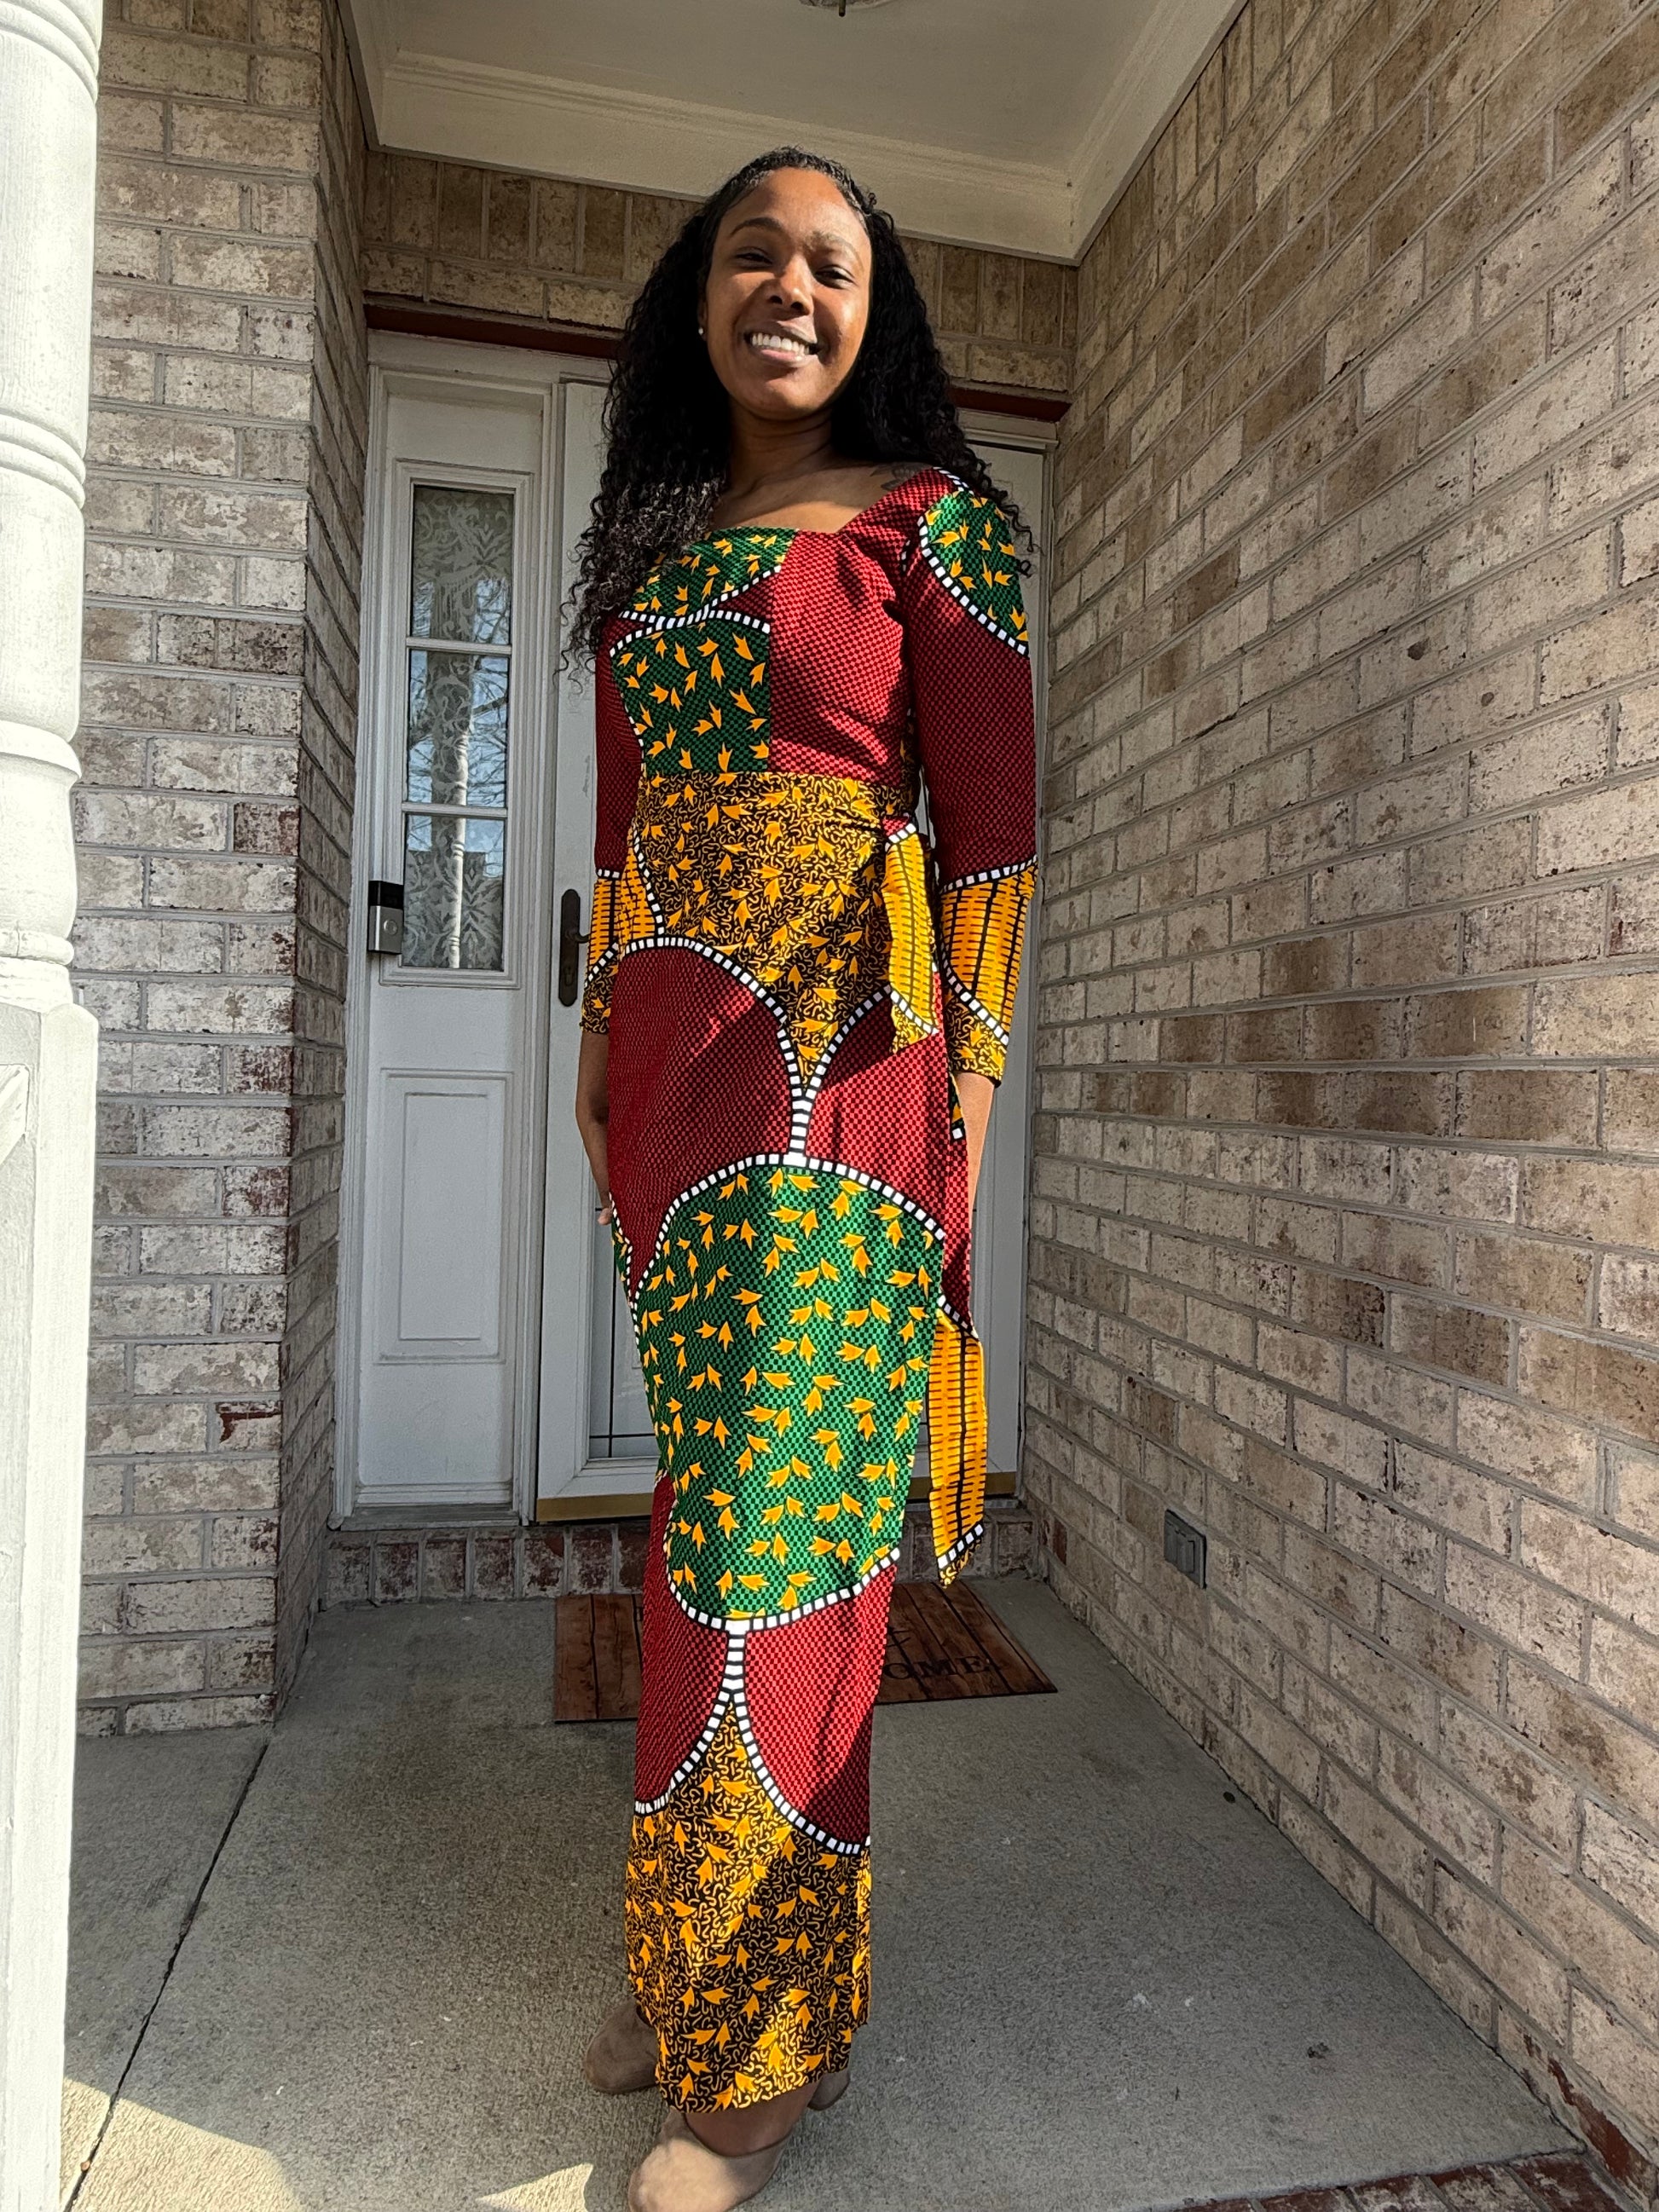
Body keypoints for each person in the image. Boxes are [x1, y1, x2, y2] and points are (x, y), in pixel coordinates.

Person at [569, 144, 1038, 2212]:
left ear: (874, 313)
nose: (789, 287)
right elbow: (621, 841)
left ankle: (755, 2069)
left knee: (783, 1549)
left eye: (830, 265)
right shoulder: (658, 551)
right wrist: (596, 1055)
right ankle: (697, 1965)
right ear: (698, 299)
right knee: (708, 1532)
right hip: (674, 1094)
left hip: (841, 1082)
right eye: (752, 254)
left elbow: (995, 851)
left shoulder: (933, 528)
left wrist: (960, 1128)